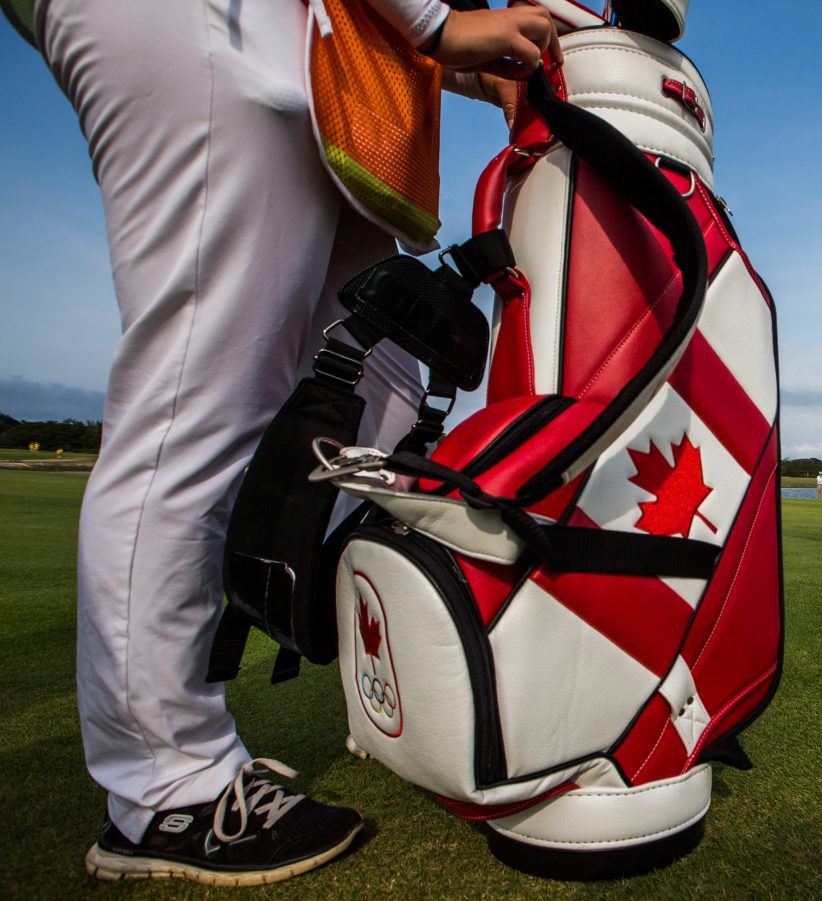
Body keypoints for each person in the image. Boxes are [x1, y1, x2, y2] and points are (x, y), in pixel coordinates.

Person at [4, 0, 558, 886]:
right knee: (201, 388)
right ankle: (163, 785)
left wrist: (465, 57)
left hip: (321, 38)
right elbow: (432, 22)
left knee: (375, 405)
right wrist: (437, 25)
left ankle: (401, 700)